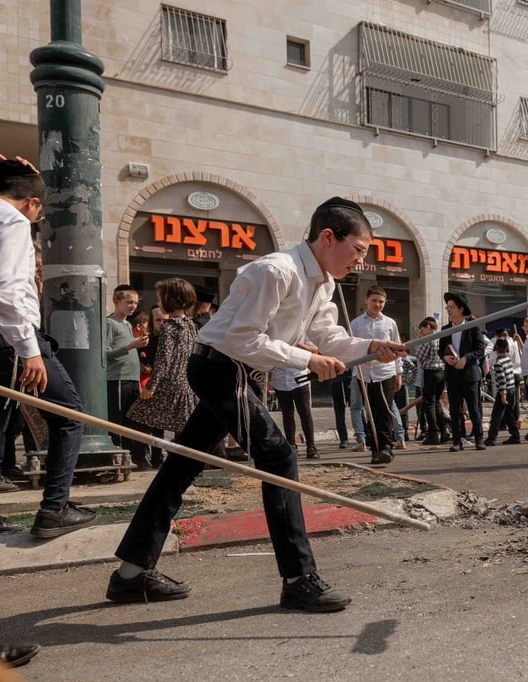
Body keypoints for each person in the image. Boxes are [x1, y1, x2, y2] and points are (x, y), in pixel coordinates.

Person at [105, 197, 405, 612]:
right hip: (220, 368)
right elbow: (242, 339)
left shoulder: (325, 283)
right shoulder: (274, 271)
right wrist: (308, 359)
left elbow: (328, 337)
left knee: (182, 464)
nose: (360, 262)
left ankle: (131, 574)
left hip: (238, 371)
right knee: (279, 459)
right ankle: (299, 579)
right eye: (358, 250)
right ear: (328, 237)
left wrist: (370, 345)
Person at [0, 154, 96, 539]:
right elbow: (6, 289)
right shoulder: (13, 220)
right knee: (68, 414)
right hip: (10, 336)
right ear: (33, 203)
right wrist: (29, 349)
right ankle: (54, 509)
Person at [126, 278, 199, 438]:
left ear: (170, 300)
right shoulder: (190, 325)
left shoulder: (169, 327)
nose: (158, 303)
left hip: (168, 385)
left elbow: (163, 360)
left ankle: (145, 456)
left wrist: (151, 386)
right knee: (183, 428)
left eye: (160, 299)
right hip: (186, 385)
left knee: (137, 419)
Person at [351, 286, 404, 463]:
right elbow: (351, 348)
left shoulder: (390, 323)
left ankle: (386, 447)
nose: (377, 304)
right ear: (367, 300)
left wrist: (398, 373)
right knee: (370, 412)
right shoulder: (356, 324)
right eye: (374, 300)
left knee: (385, 410)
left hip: (385, 373)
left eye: (381, 301)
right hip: (364, 374)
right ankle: (375, 449)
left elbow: (398, 348)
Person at [104, 284, 151, 469]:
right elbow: (106, 353)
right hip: (117, 380)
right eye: (128, 302)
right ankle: (118, 458)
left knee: (134, 420)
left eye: (135, 303)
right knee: (118, 421)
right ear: (116, 301)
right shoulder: (110, 323)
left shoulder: (128, 324)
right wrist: (131, 346)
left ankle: (137, 457)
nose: (132, 306)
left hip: (131, 380)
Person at [439, 292, 485, 452]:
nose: (449, 310)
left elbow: (480, 348)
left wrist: (466, 358)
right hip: (452, 374)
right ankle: (457, 440)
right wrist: (446, 359)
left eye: (452, 307)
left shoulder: (472, 327)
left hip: (469, 373)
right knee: (454, 409)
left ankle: (479, 438)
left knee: (473, 408)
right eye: (447, 307)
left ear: (461, 309)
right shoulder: (445, 329)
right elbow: (440, 351)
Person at [271, 361, 320, 459]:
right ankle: (291, 445)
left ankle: (311, 446)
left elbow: (313, 350)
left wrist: (299, 345)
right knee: (287, 414)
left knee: (305, 413)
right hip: (280, 379)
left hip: (299, 378)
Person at [414, 316, 447, 445]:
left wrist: (420, 343)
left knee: (429, 403)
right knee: (437, 402)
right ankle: (444, 430)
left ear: (428, 327)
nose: (421, 332)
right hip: (442, 372)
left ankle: (433, 433)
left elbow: (419, 356)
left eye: (422, 329)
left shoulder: (429, 339)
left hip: (431, 372)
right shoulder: (442, 337)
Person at [485, 337, 520, 446]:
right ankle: (515, 435)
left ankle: (492, 437)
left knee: (496, 415)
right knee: (509, 414)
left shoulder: (498, 363)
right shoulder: (508, 360)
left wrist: (503, 394)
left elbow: (502, 380)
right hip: (512, 389)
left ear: (495, 349)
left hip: (503, 391)